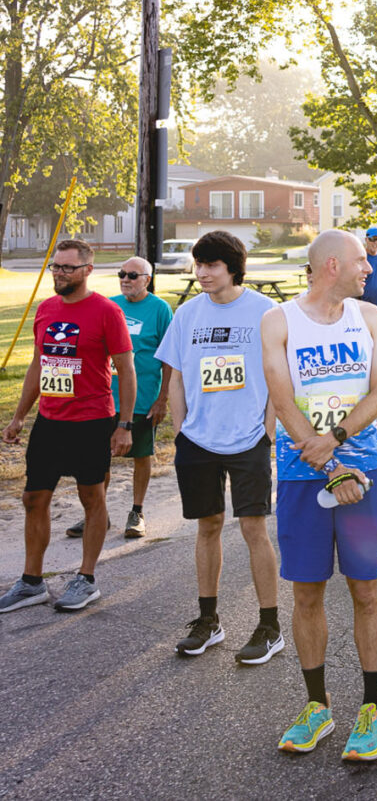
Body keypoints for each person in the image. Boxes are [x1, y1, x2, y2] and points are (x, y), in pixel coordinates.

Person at [265, 230, 377, 761]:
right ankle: (317, 706)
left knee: (365, 589)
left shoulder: (367, 317)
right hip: (301, 476)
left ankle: (373, 711)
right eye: (363, 261)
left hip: (361, 474)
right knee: (307, 593)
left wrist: (335, 444)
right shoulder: (279, 321)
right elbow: (280, 394)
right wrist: (317, 454)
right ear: (333, 265)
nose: (370, 269)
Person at [155, 232, 285, 662]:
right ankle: (208, 621)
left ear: (233, 267)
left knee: (253, 528)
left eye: (211, 265)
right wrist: (181, 431)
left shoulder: (266, 312)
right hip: (198, 440)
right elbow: (174, 377)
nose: (203, 273)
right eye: (199, 264)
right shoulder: (187, 314)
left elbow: (278, 375)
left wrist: (267, 428)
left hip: (248, 438)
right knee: (207, 526)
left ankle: (269, 626)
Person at [0, 239, 134, 613]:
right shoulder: (46, 309)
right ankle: (31, 582)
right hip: (51, 421)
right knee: (32, 499)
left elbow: (126, 369)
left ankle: (86, 578)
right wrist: (19, 415)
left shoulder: (106, 312)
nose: (59, 273)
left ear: (87, 270)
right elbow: (38, 365)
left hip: (92, 421)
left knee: (92, 498)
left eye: (67, 268)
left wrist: (124, 424)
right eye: (55, 267)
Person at [66, 257, 171, 540]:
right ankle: (97, 513)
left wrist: (162, 399)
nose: (125, 279)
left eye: (132, 275)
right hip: (102, 397)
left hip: (142, 397)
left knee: (141, 454)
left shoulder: (160, 309)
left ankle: (137, 511)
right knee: (99, 458)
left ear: (147, 279)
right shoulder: (109, 305)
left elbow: (169, 358)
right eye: (121, 274)